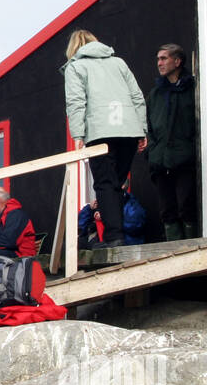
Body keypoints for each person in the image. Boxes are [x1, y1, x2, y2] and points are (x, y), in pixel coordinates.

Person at [62, 29, 148, 248]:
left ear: (73, 48)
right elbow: (137, 96)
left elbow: (76, 101)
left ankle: (113, 238)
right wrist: (141, 130)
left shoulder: (75, 66)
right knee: (116, 184)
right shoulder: (118, 63)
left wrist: (78, 134)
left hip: (100, 132)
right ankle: (116, 237)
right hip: (127, 130)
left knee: (104, 184)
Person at [146, 42, 199, 240]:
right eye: (158, 59)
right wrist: (152, 151)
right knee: (167, 210)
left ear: (177, 61)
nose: (159, 63)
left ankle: (192, 252)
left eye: (164, 58)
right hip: (160, 160)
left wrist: (190, 147)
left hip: (185, 158)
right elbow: (149, 125)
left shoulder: (192, 88)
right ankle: (174, 254)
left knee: (187, 206)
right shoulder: (155, 94)